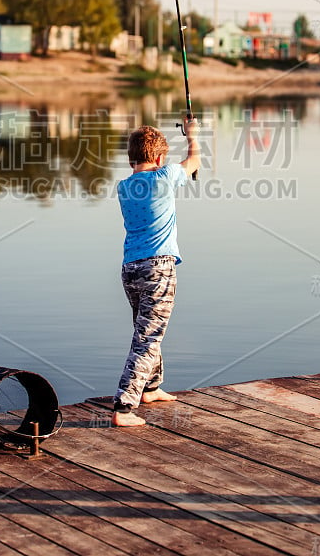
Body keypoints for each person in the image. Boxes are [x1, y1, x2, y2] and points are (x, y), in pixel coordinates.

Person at [112, 118, 200, 427]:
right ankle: (124, 406)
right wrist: (193, 136)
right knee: (148, 338)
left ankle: (150, 387)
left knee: (147, 329)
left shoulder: (123, 186)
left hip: (130, 270)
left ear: (131, 158)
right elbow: (194, 162)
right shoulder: (166, 176)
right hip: (158, 269)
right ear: (160, 158)